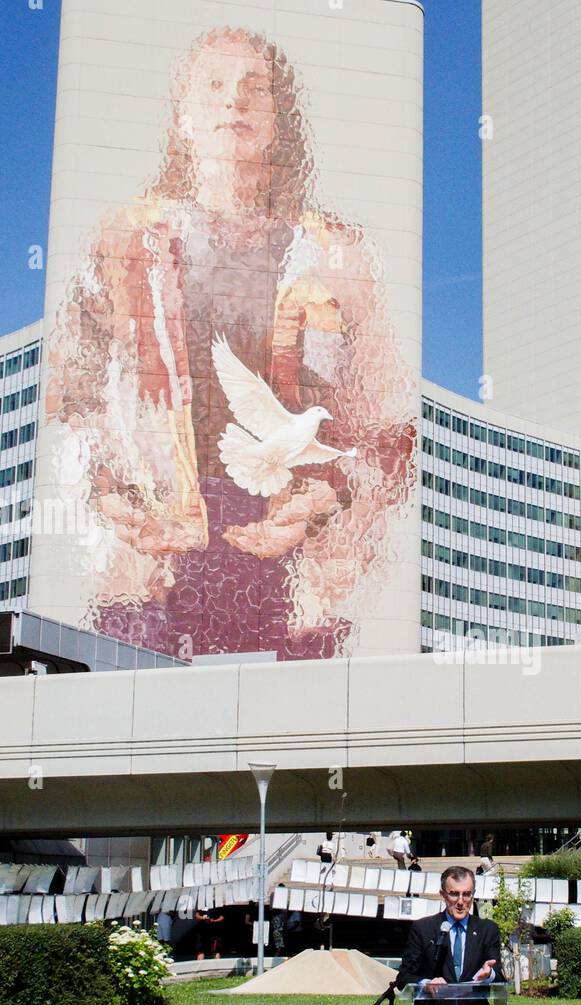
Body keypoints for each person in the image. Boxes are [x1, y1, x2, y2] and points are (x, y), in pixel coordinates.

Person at [44, 25, 415, 662]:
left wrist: (330, 499)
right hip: (152, 567)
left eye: (255, 89)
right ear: (183, 114)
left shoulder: (338, 254)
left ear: (279, 118)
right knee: (145, 743)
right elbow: (72, 391)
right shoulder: (125, 240)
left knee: (298, 747)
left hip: (297, 571)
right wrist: (109, 493)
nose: (234, 103)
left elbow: (386, 423)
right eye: (213, 86)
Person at [397, 866, 504, 1005]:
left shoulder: (487, 930)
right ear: (443, 894)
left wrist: (489, 974)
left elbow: (499, 976)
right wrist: (427, 984)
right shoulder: (423, 929)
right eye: (454, 894)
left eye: (466, 894)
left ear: (473, 895)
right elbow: (404, 977)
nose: (461, 901)